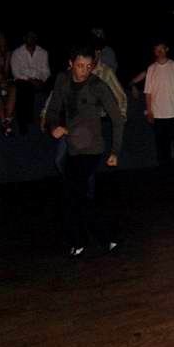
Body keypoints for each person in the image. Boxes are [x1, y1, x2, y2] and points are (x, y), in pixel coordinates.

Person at [46, 45, 125, 256]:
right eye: (80, 65)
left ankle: (82, 241)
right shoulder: (63, 81)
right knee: (77, 195)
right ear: (70, 64)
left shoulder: (98, 85)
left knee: (74, 193)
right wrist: (53, 126)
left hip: (92, 148)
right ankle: (105, 237)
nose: (84, 70)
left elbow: (117, 119)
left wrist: (115, 151)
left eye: (89, 66)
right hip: (72, 146)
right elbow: (53, 110)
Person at [144, 41, 174, 167]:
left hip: (173, 113)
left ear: (166, 49)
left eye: (161, 49)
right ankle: (164, 170)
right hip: (157, 114)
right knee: (161, 145)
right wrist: (149, 111)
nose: (159, 52)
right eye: (157, 50)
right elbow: (148, 92)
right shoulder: (151, 68)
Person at [10, 31, 50, 134]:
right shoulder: (17, 53)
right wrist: (31, 80)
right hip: (22, 80)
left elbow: (46, 72)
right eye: (29, 36)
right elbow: (16, 73)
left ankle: (35, 118)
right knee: (24, 87)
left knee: (51, 84)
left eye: (34, 36)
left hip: (39, 81)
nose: (32, 38)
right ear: (24, 38)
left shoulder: (43, 52)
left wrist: (40, 80)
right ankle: (23, 121)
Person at [0, 32, 16, 136]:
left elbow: (6, 72)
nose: (1, 40)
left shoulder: (8, 53)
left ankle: (7, 119)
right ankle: (4, 121)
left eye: (2, 38)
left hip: (4, 80)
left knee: (13, 88)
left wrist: (3, 81)